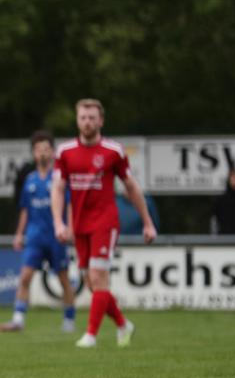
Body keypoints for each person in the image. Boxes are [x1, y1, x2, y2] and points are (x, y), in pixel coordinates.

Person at [51, 99, 156, 349]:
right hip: (79, 225)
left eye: (92, 117)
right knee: (91, 284)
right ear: (77, 120)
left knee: (99, 278)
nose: (87, 122)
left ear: (101, 121)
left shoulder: (113, 151)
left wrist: (148, 223)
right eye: (83, 117)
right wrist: (58, 223)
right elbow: (57, 188)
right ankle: (123, 324)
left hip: (105, 222)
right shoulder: (64, 152)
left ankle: (90, 335)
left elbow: (131, 187)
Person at [0, 131, 76, 333]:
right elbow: (25, 209)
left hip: (56, 236)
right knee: (25, 277)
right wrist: (19, 234)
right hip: (34, 236)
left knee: (63, 278)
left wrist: (70, 228)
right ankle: (18, 319)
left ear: (52, 152)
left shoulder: (60, 178)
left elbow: (69, 205)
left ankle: (69, 320)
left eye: (46, 149)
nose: (42, 153)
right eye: (38, 150)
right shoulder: (30, 180)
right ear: (34, 154)